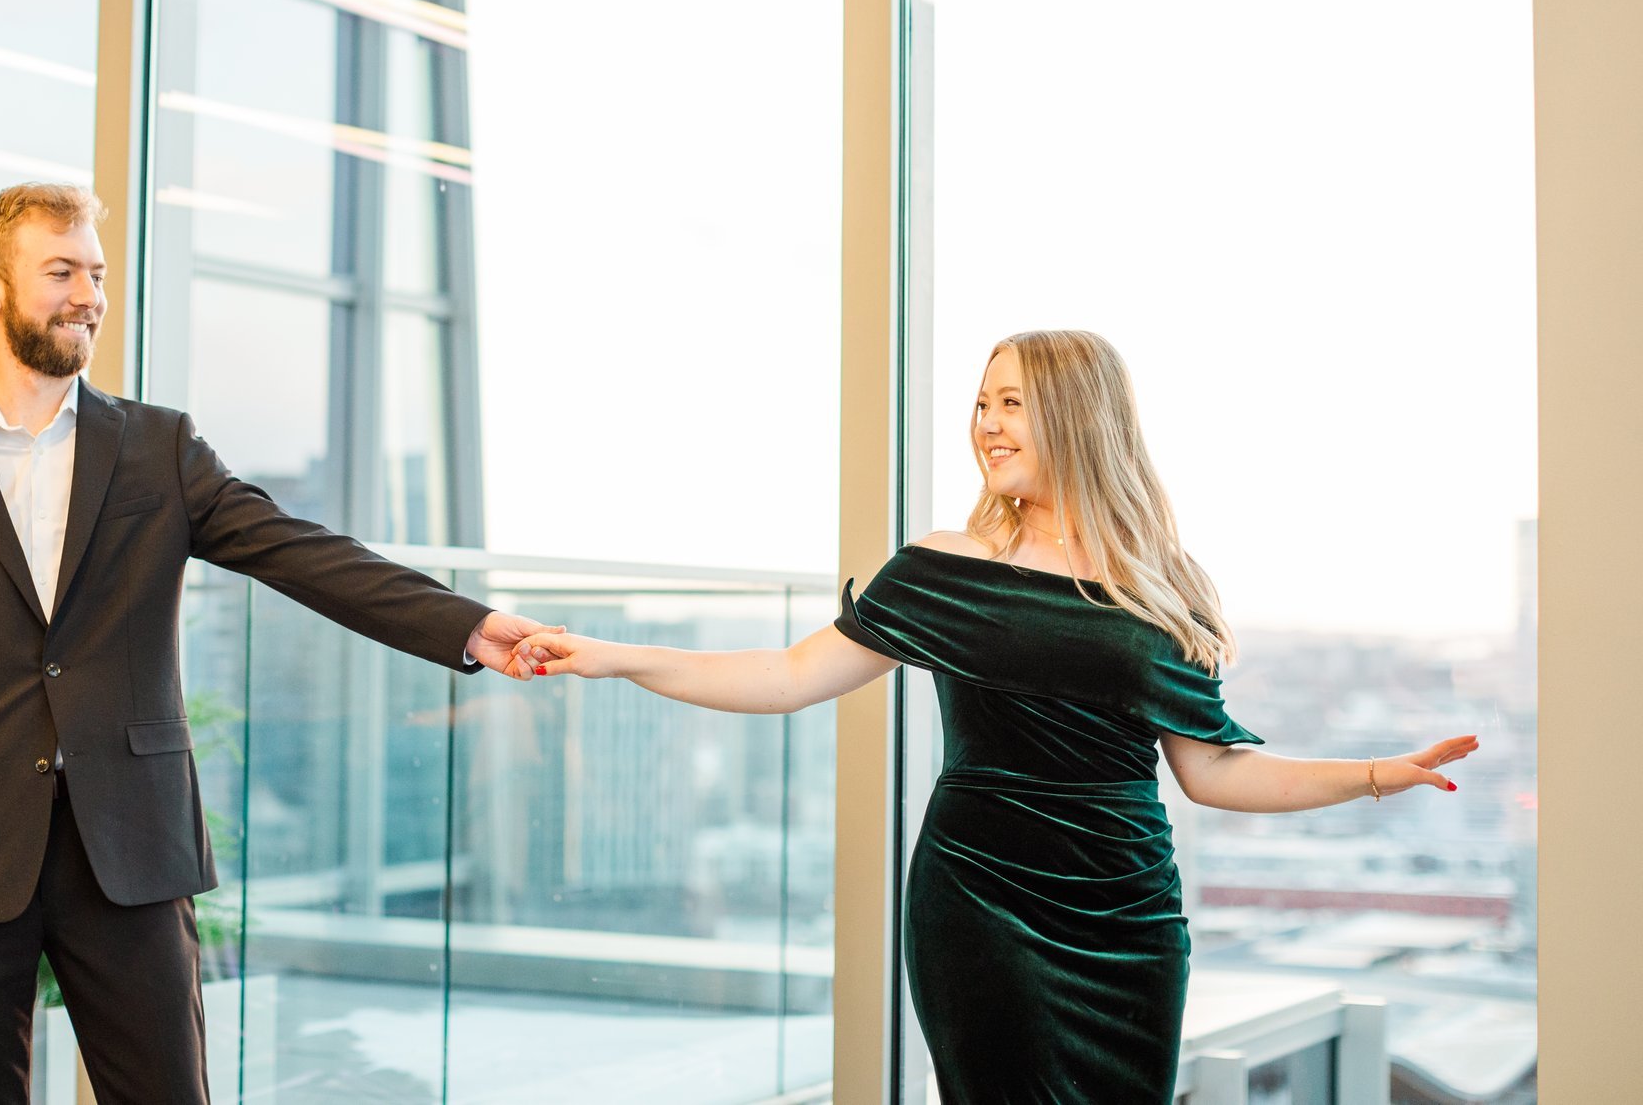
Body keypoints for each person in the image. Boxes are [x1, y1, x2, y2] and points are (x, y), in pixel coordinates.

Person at [514, 329, 1477, 1104]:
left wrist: (1377, 773)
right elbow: (786, 674)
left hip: (1128, 917)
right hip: (981, 904)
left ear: (1077, 415)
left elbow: (1215, 772)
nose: (986, 425)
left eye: (1010, 402)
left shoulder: (1165, 585)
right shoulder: (945, 566)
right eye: (981, 404)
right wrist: (611, 656)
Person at [0, 182, 552, 1105]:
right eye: (60, 272)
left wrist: (467, 624)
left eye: (95, 272)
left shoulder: (157, 447)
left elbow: (303, 554)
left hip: (131, 847)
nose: (88, 294)